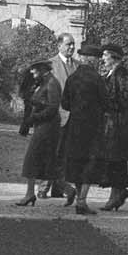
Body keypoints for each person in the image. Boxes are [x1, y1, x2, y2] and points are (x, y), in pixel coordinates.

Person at [59, 41, 106, 214]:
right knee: (90, 162)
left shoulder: (72, 78)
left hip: (75, 125)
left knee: (77, 161)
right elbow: (106, 103)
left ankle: (79, 197)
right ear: (92, 60)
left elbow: (65, 104)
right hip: (93, 126)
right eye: (97, 58)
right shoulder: (98, 80)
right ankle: (81, 200)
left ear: (82, 58)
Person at [94, 42, 128, 211]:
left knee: (116, 161)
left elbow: (125, 99)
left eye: (105, 55)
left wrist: (105, 102)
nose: (103, 59)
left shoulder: (122, 74)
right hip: (110, 123)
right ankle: (120, 192)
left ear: (113, 56)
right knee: (113, 161)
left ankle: (116, 195)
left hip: (118, 125)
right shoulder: (112, 73)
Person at [13, 60, 61, 206]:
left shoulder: (52, 83)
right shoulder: (44, 82)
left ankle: (29, 195)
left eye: (34, 71)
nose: (32, 74)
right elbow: (42, 102)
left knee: (32, 159)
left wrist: (34, 117)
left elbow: (53, 108)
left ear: (41, 69)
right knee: (47, 162)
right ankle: (69, 190)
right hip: (43, 126)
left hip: (48, 127)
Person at [43, 32, 77, 198]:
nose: (71, 47)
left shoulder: (78, 66)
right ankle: (43, 187)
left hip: (73, 118)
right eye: (68, 44)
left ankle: (58, 188)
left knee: (65, 154)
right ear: (59, 46)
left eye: (73, 44)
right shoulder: (50, 64)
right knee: (50, 152)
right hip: (55, 116)